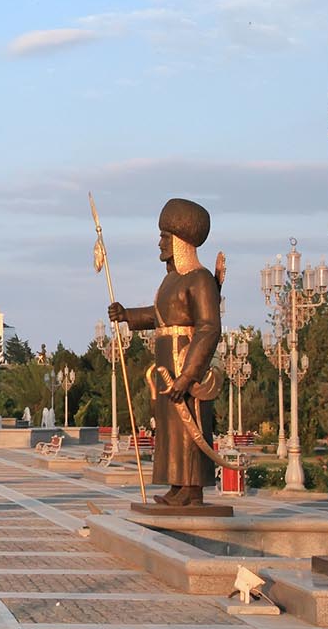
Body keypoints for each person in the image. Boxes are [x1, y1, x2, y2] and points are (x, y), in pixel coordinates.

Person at [107, 198, 221, 507]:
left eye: (165, 237)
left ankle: (192, 489)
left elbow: (209, 327)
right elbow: (159, 316)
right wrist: (127, 314)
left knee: (190, 425)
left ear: (181, 241)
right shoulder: (171, 280)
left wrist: (188, 375)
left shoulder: (200, 279)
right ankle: (177, 485)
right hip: (165, 362)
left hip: (185, 363)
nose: (160, 243)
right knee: (171, 428)